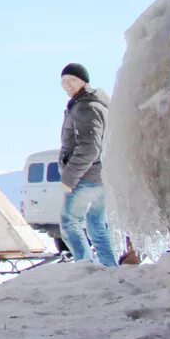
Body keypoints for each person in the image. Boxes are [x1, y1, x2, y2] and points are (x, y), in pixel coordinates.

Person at [57, 63, 118, 267]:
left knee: (69, 223)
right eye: (63, 81)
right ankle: (110, 268)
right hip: (103, 176)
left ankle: (86, 268)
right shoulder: (94, 104)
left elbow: (90, 148)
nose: (67, 85)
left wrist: (69, 178)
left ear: (84, 81)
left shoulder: (86, 107)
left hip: (87, 177)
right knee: (97, 224)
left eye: (71, 80)